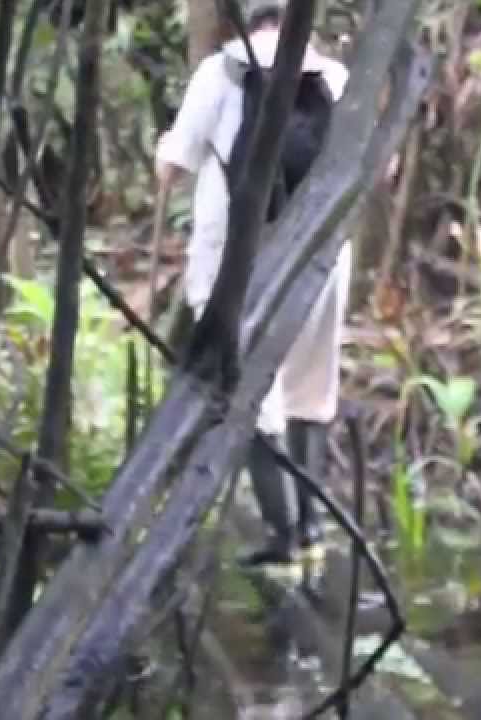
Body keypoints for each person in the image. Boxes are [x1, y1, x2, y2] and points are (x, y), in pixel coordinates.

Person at [155, 0, 353, 565]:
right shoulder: (336, 78)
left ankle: (280, 535)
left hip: (237, 258)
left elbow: (175, 162)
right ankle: (311, 530)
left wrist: (162, 155)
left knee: (250, 392)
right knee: (311, 388)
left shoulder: (221, 72)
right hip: (321, 252)